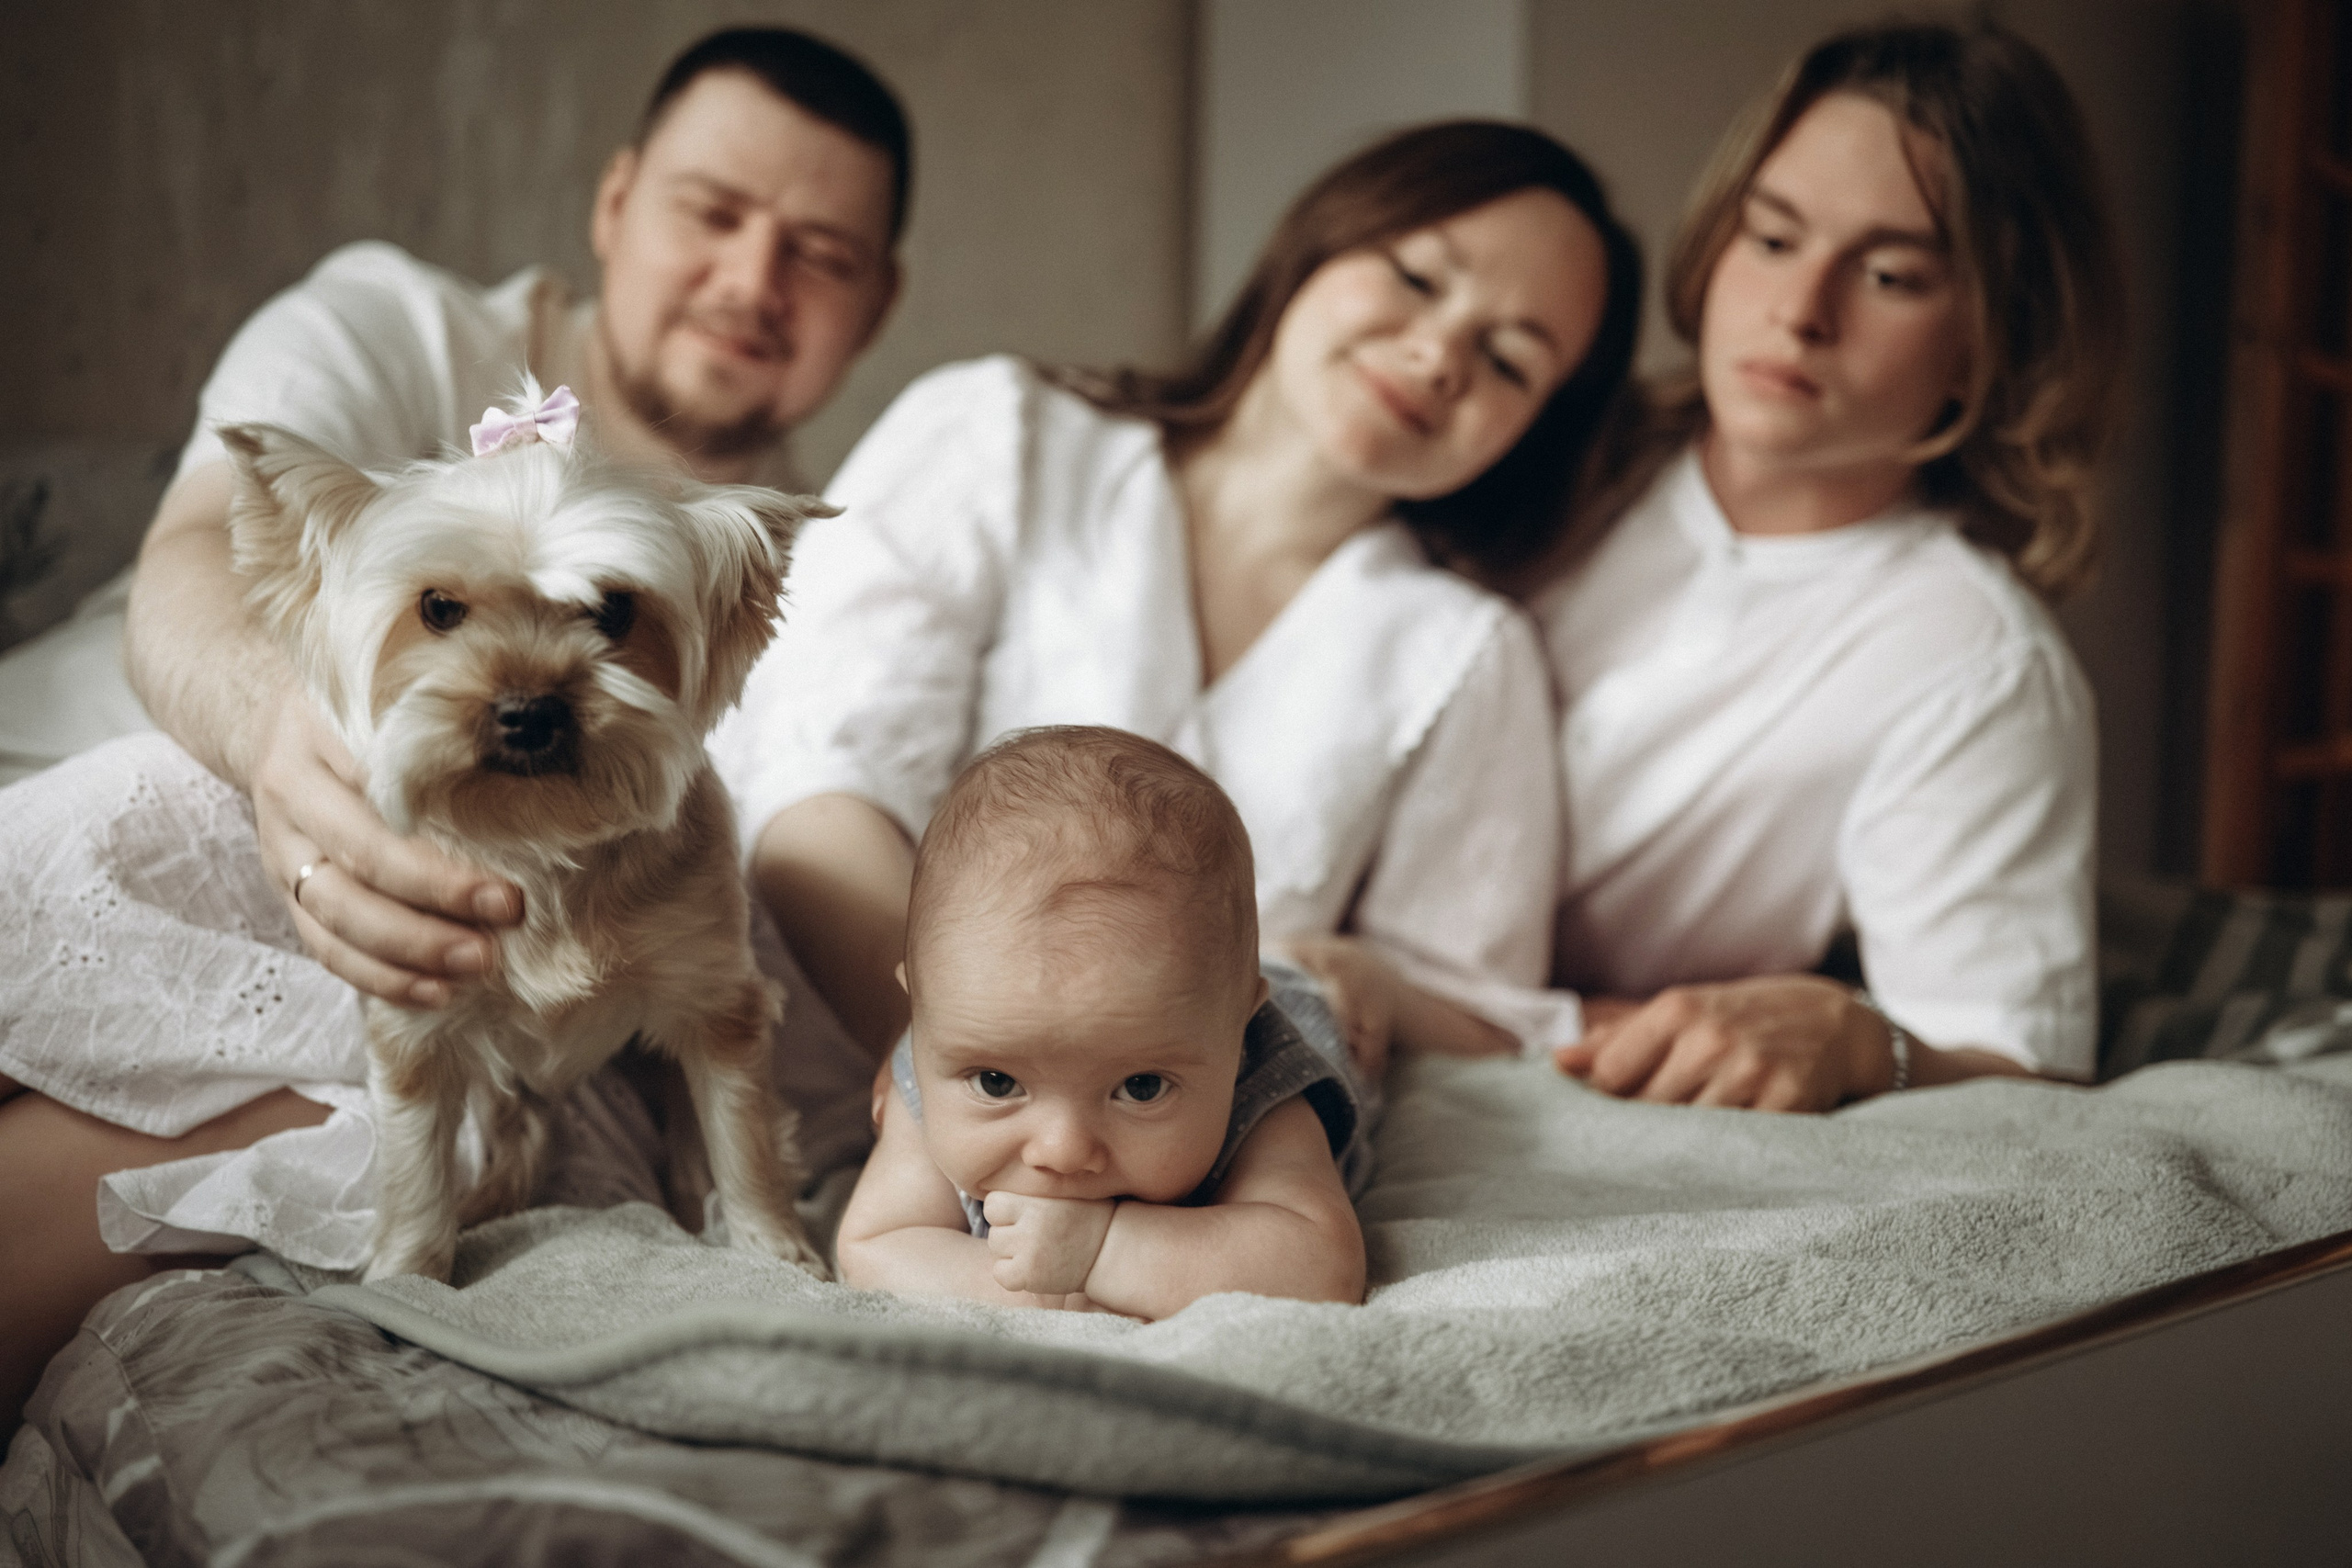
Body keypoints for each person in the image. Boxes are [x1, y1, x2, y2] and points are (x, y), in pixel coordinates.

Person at [0, 25, 910, 1429]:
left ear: (881, 298)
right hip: (116, 763)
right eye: (713, 213)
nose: (751, 281)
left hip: (511, 938)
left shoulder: (785, 569)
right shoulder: (393, 324)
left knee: (444, 1114)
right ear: (615, 202)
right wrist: (293, 759)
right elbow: (193, 561)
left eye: (822, 253)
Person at [719, 119, 1642, 1079]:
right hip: (797, 1074)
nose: (1440, 354)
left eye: (1508, 359)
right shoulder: (1002, 434)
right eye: (1416, 278)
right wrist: (968, 1092)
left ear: (1536, 426)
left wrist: (1365, 979)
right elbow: (813, 795)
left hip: (1169, 1168)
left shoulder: (1466, 651)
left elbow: (1483, 1015)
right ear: (1320, 244)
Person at [1539, 21, 2124, 1111]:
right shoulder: (1542, 443)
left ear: (1998, 334)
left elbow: (2015, 1065)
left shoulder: (1970, 660)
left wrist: (1863, 1044)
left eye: (1891, 275)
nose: (1800, 312)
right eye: (1770, 239)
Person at [837, 727, 1371, 1316]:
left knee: (1339, 1012)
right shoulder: (946, 1057)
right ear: (924, 1015)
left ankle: (1327, 969)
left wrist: (1101, 1253)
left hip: (1283, 1006)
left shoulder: (1261, 1086)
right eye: (997, 1084)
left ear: (1237, 1037)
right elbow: (873, 1248)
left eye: (1142, 1087)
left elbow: (1323, 1267)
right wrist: (1037, 1290)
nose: (1063, 1149)